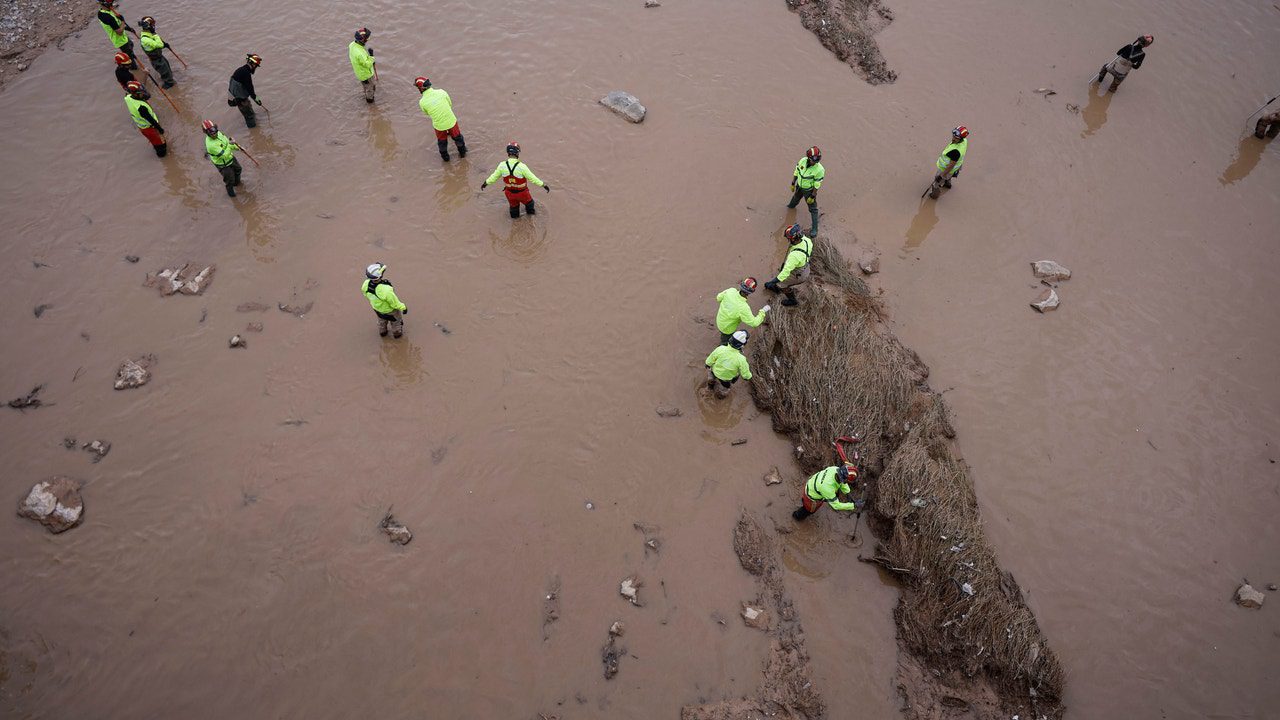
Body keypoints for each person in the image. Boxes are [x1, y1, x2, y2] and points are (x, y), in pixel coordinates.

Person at [481, 142, 551, 218]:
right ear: (517, 153)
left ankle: (515, 222)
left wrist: (485, 183)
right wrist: (543, 185)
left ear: (508, 153)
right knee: (530, 204)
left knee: (513, 208)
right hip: (522, 193)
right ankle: (530, 219)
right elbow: (533, 178)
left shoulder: (502, 165)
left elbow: (493, 177)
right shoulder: (522, 167)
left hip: (509, 194)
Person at [415, 76, 466, 160]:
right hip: (451, 121)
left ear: (420, 89)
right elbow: (449, 104)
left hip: (439, 126)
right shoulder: (441, 92)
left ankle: (446, 159)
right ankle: (463, 154)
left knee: (442, 142)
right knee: (458, 137)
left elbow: (427, 113)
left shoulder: (422, 102)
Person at [764, 224, 812, 307]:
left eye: (788, 238)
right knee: (783, 276)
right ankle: (781, 289)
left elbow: (784, 274)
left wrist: (771, 282)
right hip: (806, 267)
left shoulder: (794, 256)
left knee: (781, 284)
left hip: (800, 275)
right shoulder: (806, 240)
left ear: (793, 239)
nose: (788, 240)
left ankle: (792, 301)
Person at [792, 464, 863, 521]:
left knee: (808, 500)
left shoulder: (834, 469)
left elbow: (842, 483)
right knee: (808, 511)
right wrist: (853, 505)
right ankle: (797, 516)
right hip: (811, 496)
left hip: (811, 483)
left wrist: (848, 493)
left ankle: (804, 501)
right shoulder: (828, 489)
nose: (847, 483)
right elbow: (836, 506)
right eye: (847, 481)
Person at [715, 277, 770, 345]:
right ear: (750, 292)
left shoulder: (731, 291)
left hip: (719, 320)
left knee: (723, 334)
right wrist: (763, 311)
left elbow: (718, 298)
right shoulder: (744, 308)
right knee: (725, 342)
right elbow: (754, 323)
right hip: (727, 329)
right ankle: (723, 346)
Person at [361, 263, 408, 338]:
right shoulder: (386, 290)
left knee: (381, 321)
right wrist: (403, 308)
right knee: (396, 322)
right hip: (391, 311)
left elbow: (365, 295)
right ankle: (397, 334)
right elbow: (394, 303)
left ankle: (383, 332)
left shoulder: (365, 284)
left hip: (377, 309)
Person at [788, 146, 824, 237]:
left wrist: (812, 196)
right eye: (813, 161)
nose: (815, 163)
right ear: (808, 158)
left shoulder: (819, 169)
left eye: (817, 161)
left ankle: (815, 229)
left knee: (813, 209)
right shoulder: (802, 161)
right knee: (795, 199)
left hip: (809, 191)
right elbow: (797, 171)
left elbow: (817, 184)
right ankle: (790, 207)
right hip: (799, 186)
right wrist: (793, 183)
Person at [705, 330, 753, 398]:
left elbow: (710, 359)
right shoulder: (741, 359)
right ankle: (721, 396)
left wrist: (707, 364)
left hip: (714, 371)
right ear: (742, 346)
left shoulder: (720, 349)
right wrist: (748, 377)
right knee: (725, 389)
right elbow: (745, 374)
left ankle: (709, 387)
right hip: (726, 378)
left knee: (711, 378)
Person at [123, 81, 166, 157]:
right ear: (135, 94)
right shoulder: (141, 108)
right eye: (141, 93)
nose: (144, 94)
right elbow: (151, 120)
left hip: (142, 127)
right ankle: (161, 155)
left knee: (154, 140)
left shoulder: (128, 97)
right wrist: (160, 129)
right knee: (160, 145)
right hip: (149, 128)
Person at [202, 120, 243, 197]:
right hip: (223, 165)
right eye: (211, 133)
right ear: (206, 133)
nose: (214, 134)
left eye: (215, 131)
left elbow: (227, 142)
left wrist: (237, 147)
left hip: (230, 158)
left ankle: (237, 184)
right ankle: (232, 196)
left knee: (238, 169)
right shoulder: (211, 145)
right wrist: (232, 144)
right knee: (229, 181)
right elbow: (224, 155)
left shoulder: (219, 133)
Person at [929, 126, 968, 199]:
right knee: (949, 175)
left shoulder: (955, 151)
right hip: (957, 166)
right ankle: (947, 184)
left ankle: (934, 195)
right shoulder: (965, 141)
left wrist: (941, 176)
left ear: (961, 139)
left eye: (956, 138)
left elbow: (950, 166)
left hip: (946, 169)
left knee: (936, 183)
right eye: (953, 136)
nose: (953, 139)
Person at [137, 16, 175, 89]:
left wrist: (165, 45)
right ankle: (168, 86)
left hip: (159, 56)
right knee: (165, 73)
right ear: (148, 26)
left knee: (168, 70)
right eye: (152, 25)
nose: (153, 27)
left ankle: (168, 80)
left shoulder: (149, 33)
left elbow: (156, 44)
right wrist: (155, 34)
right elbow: (159, 44)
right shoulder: (145, 39)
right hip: (156, 60)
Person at [228, 54, 263, 128]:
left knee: (250, 112)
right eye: (256, 66)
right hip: (240, 100)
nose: (256, 68)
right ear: (253, 64)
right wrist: (256, 98)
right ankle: (254, 133)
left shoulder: (240, 70)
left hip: (238, 98)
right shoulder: (246, 73)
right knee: (249, 116)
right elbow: (250, 88)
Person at [349, 28, 376, 103]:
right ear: (362, 40)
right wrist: (371, 57)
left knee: (366, 86)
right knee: (371, 87)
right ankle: (370, 101)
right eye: (367, 38)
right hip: (366, 75)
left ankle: (366, 92)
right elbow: (367, 64)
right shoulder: (360, 54)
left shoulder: (352, 45)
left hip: (359, 73)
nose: (367, 40)